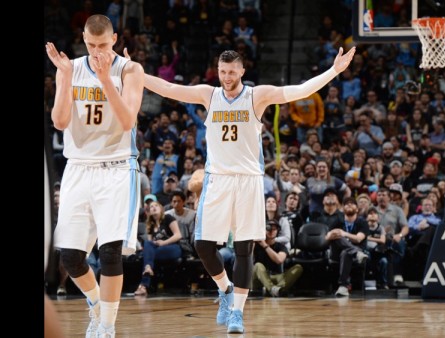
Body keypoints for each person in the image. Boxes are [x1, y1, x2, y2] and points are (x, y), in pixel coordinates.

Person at [125, 46, 355, 333]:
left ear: (242, 71)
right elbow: (169, 88)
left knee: (245, 249)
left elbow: (298, 90)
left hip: (248, 180)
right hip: (217, 180)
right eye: (222, 72)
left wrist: (334, 71)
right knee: (203, 246)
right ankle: (225, 289)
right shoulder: (208, 94)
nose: (227, 77)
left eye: (232, 72)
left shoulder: (256, 96)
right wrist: (136, 72)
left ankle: (237, 312)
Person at [45, 14, 144, 338]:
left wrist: (104, 81)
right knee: (71, 257)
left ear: (114, 39)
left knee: (110, 253)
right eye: (90, 45)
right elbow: (60, 122)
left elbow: (128, 120)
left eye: (102, 44)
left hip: (116, 168)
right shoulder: (71, 68)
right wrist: (63, 78)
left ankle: (107, 327)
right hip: (78, 168)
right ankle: (97, 303)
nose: (97, 51)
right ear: (83, 41)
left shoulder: (130, 70)